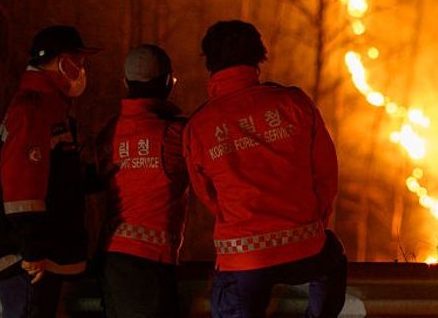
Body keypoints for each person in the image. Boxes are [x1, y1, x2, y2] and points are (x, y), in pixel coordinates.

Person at [183, 20, 347, 318]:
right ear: (258, 57)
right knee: (332, 259)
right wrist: (311, 225)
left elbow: (206, 194)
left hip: (243, 258)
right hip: (305, 248)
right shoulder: (293, 103)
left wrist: (240, 221)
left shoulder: (198, 127)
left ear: (209, 62)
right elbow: (326, 174)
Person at [0, 25, 98, 317]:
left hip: (39, 257)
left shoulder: (49, 108)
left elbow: (53, 178)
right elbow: (22, 185)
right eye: (79, 61)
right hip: (28, 261)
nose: (82, 69)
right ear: (63, 61)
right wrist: (32, 250)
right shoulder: (33, 110)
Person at [94, 45, 189, 317]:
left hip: (111, 258)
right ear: (169, 82)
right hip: (151, 262)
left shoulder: (108, 133)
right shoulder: (175, 136)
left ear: (125, 83)